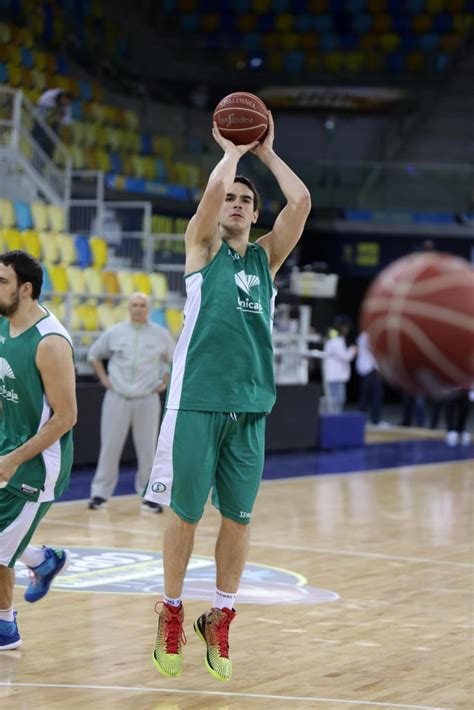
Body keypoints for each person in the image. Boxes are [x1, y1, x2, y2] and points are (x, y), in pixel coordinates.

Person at [143, 112, 311, 680]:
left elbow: (301, 201)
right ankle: (170, 611)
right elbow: (213, 192)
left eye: (246, 201)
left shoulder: (266, 260)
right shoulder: (202, 248)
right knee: (185, 513)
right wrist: (231, 152)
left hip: (252, 407)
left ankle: (221, 615)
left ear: (256, 215)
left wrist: (264, 152)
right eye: (230, 198)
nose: (235, 203)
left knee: (238, 519)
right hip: (197, 402)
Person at [0, 250, 76, 650]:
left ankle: (5, 628)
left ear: (25, 289)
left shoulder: (50, 343)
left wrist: (12, 459)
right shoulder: (3, 325)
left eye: (2, 282)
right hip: (5, 446)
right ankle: (42, 560)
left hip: (35, 465)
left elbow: (65, 417)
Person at [88, 292, 175, 512]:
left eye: (142, 305)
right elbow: (93, 355)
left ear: (149, 309)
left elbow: (174, 361)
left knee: (148, 449)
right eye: (134, 305)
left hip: (147, 398)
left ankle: (150, 496)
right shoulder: (115, 332)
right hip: (117, 397)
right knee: (109, 447)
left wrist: (163, 381)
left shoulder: (161, 335)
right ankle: (99, 494)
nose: (138, 308)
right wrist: (105, 379)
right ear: (129, 308)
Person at [322, 316, 357, 413]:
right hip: (334, 377)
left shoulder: (337, 338)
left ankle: (334, 420)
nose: (347, 330)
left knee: (338, 400)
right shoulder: (335, 340)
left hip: (337, 376)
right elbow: (345, 356)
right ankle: (333, 421)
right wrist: (353, 350)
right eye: (346, 327)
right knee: (335, 401)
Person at [32, 88, 73, 159]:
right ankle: (36, 160)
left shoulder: (67, 105)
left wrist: (61, 120)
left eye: (67, 102)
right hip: (41, 121)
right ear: (62, 97)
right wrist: (53, 114)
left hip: (53, 124)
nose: (65, 103)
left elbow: (68, 120)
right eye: (64, 101)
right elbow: (40, 104)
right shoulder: (49, 96)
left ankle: (47, 161)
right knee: (40, 142)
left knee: (51, 144)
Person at [356, 331, 384, 425]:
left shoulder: (361, 336)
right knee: (375, 395)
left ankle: (361, 419)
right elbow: (373, 351)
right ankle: (375, 420)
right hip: (369, 368)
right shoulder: (367, 335)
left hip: (364, 368)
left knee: (366, 395)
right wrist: (378, 367)